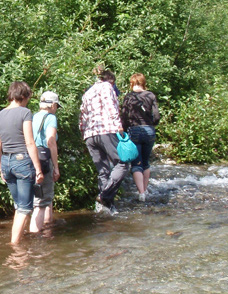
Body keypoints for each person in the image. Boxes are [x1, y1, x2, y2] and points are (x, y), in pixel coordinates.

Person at [79, 70, 128, 214]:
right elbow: (111, 106)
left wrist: (83, 134)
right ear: (111, 80)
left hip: (90, 135)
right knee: (123, 162)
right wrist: (119, 126)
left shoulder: (88, 92)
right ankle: (105, 196)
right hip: (106, 130)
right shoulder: (107, 87)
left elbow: (83, 115)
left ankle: (105, 208)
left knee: (103, 170)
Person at [0, 81, 44, 244]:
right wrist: (38, 169)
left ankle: (19, 241)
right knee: (24, 208)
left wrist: (0, 168)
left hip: (6, 161)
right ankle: (15, 246)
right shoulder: (25, 113)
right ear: (24, 96)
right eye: (28, 98)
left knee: (19, 206)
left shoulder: (1, 114)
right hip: (22, 161)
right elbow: (30, 142)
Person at [121, 73, 160, 201]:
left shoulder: (128, 97)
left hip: (134, 131)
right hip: (149, 130)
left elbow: (124, 116)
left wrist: (125, 130)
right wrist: (151, 124)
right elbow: (156, 116)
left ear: (132, 83)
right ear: (143, 83)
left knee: (136, 163)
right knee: (146, 162)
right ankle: (145, 189)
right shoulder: (151, 95)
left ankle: (141, 192)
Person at [30, 91, 61, 233]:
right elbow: (51, 141)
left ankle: (45, 230)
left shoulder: (32, 117)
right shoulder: (50, 118)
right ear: (53, 105)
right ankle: (41, 235)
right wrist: (56, 167)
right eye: (56, 106)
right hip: (44, 160)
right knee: (44, 201)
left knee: (40, 196)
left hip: (31, 159)